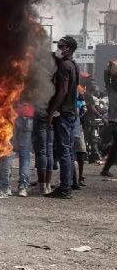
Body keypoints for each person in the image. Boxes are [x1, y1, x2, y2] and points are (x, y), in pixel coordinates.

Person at [45, 36, 80, 199]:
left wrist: (52, 111)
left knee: (64, 151)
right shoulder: (73, 65)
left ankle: (65, 189)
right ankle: (68, 185)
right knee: (67, 150)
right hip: (70, 113)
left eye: (62, 46)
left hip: (64, 113)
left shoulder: (65, 65)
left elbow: (63, 91)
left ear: (69, 49)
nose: (58, 47)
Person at [13, 102, 34, 197]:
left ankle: (5, 185)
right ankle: (23, 187)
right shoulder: (34, 87)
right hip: (27, 116)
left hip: (14, 114)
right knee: (25, 155)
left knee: (8, 152)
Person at [101, 60, 117, 178]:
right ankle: (105, 169)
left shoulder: (110, 88)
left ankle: (105, 169)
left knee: (115, 146)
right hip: (114, 122)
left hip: (113, 122)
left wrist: (110, 67)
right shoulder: (112, 88)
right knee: (114, 147)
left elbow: (106, 75)